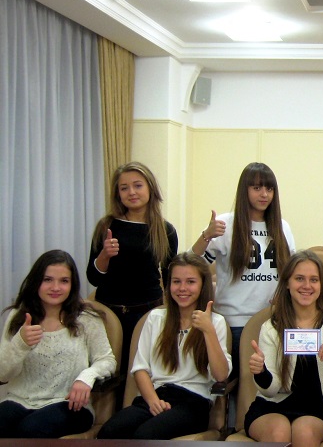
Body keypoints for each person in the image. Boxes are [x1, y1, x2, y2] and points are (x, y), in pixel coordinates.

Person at [97, 252, 231, 439]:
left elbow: (221, 375)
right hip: (156, 394)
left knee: (145, 436)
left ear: (203, 285)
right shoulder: (155, 318)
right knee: (109, 432)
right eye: (176, 282)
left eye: (190, 282)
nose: (182, 288)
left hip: (193, 402)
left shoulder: (216, 322)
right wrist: (153, 401)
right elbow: (140, 368)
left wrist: (208, 331)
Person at [192, 162, 295, 375]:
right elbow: (190, 265)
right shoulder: (225, 224)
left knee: (272, 380)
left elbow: (292, 272)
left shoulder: (282, 227)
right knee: (239, 382)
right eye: (256, 188)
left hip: (273, 320)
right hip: (235, 322)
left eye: (269, 188)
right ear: (244, 190)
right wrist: (206, 236)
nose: (264, 194)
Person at [244, 250, 323, 445]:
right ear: (287, 283)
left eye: (314, 280)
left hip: (317, 408)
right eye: (299, 279)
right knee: (279, 433)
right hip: (272, 406)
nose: (307, 286)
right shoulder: (271, 327)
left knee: (303, 433)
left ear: (322, 285)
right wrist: (261, 372)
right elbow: (270, 390)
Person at [0, 250, 116, 438]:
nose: (55, 287)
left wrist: (86, 377)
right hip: (20, 400)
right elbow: (3, 373)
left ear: (72, 285)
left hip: (70, 404)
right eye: (47, 280)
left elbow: (107, 360)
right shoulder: (18, 316)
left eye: (64, 281)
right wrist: (20, 344)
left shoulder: (86, 319)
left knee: (30, 429)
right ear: (36, 282)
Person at [87, 161, 178, 381]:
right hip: (108, 313)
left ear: (150, 188)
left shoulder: (165, 230)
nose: (132, 192)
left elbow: (170, 279)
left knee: (141, 374)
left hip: (146, 314)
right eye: (124, 188)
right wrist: (104, 256)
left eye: (138, 185)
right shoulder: (106, 226)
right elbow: (93, 277)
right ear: (117, 194)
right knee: (109, 376)